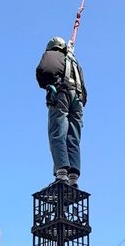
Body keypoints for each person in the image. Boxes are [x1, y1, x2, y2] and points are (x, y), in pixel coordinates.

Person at [36, 36, 87, 187]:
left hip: (61, 94)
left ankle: (62, 172)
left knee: (57, 132)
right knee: (73, 137)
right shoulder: (75, 63)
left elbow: (43, 71)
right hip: (78, 100)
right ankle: (73, 177)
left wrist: (48, 85)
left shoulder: (51, 55)